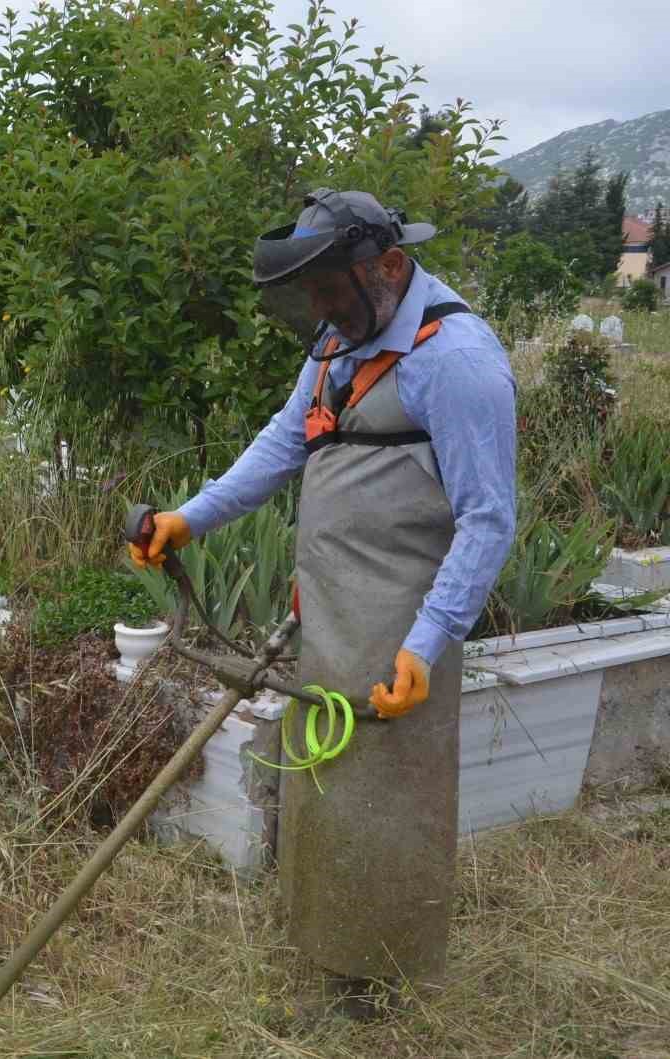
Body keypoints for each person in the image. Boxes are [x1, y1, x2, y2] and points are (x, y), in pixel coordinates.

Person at [131, 189, 516, 1017]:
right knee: (331, 785)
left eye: (332, 291)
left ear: (389, 265)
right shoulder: (342, 340)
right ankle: (330, 953)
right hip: (334, 609)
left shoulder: (455, 359)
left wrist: (429, 641)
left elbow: (488, 518)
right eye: (312, 295)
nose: (322, 310)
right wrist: (188, 518)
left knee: (389, 797)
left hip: (403, 624)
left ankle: (380, 981)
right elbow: (285, 440)